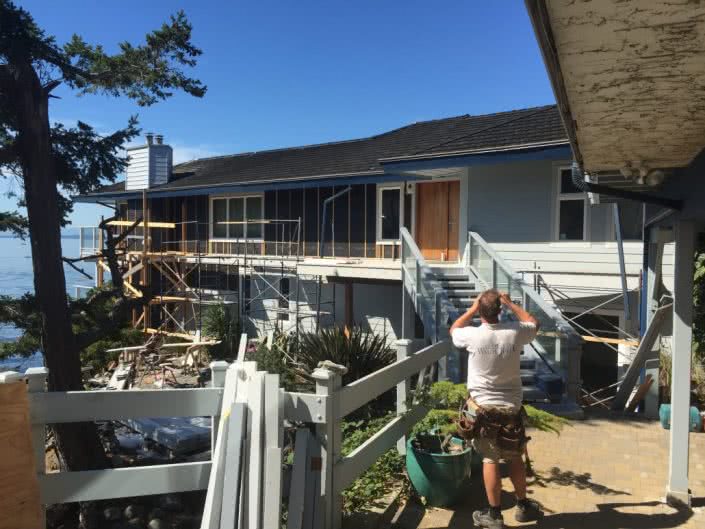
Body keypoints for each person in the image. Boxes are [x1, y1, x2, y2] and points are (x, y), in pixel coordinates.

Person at [450, 289, 544, 528]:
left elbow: (454, 329)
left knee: (490, 459)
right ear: (499, 311)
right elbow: (534, 323)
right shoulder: (514, 332)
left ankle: (494, 515)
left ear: (480, 311)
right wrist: (511, 304)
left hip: (482, 409)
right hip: (511, 408)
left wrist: (472, 308)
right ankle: (523, 505)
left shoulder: (472, 335)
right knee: (514, 456)